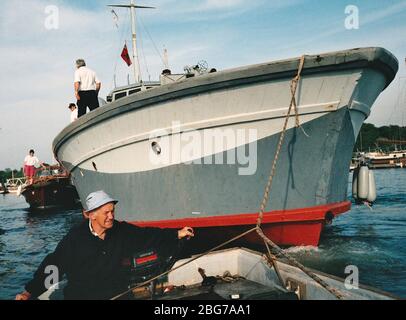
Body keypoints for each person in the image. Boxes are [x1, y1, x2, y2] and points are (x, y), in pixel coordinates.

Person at [16, 190, 194, 300]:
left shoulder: (121, 231)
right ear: (90, 215)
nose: (111, 216)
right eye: (106, 212)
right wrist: (28, 293)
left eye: (112, 211)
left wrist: (176, 233)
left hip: (117, 295)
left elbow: (148, 235)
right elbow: (54, 266)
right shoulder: (75, 238)